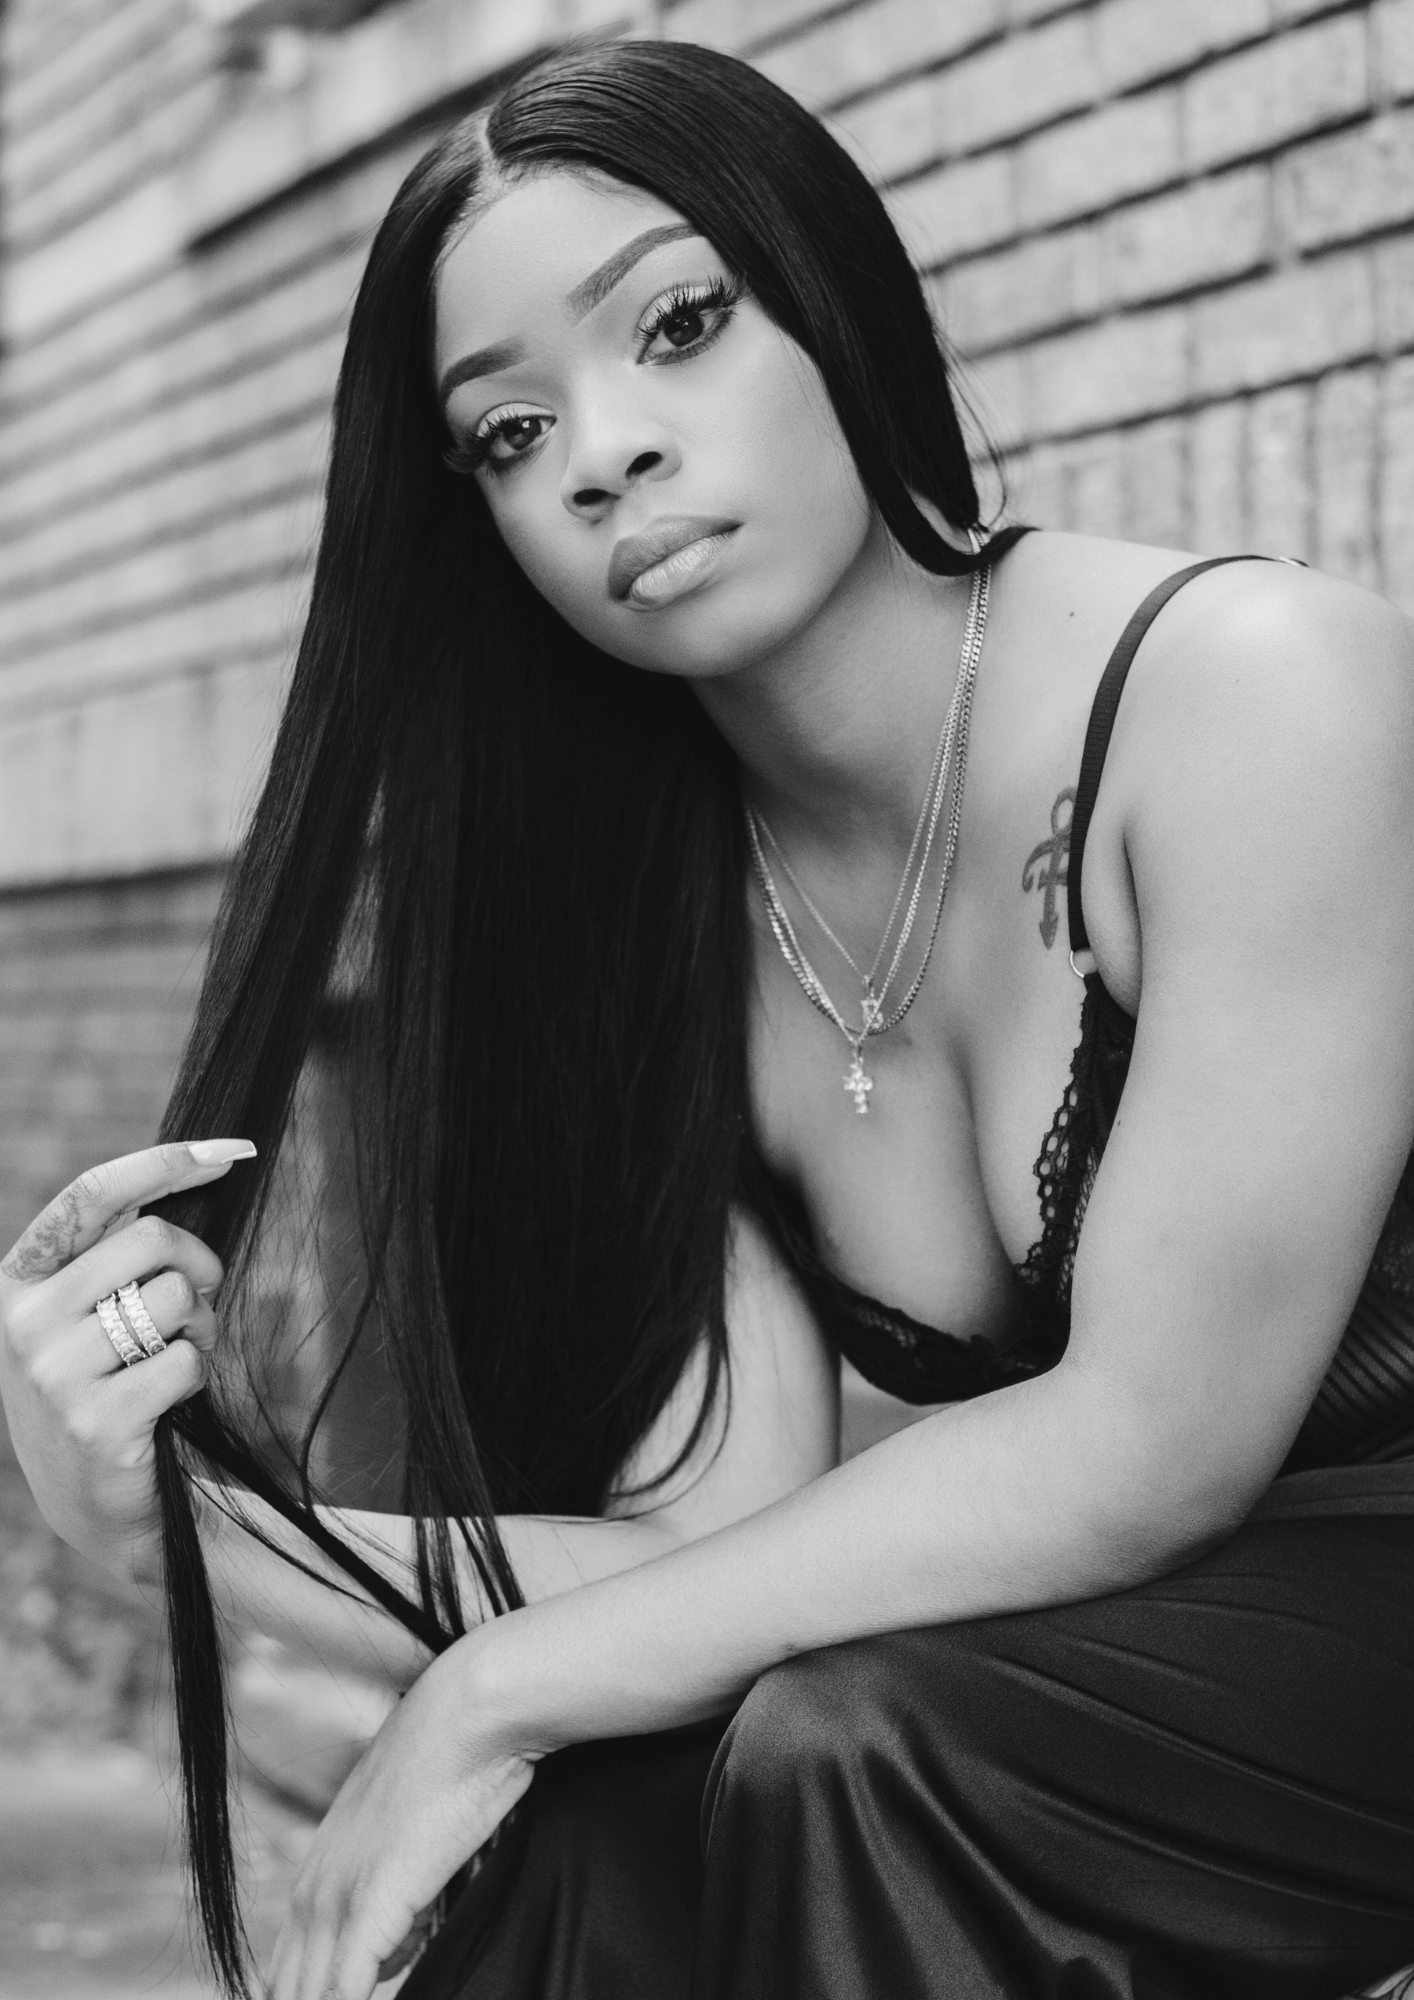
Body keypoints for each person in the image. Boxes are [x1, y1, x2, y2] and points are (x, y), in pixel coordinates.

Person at [2, 35, 1414, 2000]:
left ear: (828, 296)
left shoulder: (1252, 693)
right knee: (604, 1812)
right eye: (509, 432)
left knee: (847, 1747)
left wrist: (487, 1690)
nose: (604, 451)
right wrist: (164, 1522)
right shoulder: (667, 921)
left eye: (675, 325)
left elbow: (1151, 1441)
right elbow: (711, 1550)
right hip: (1145, 1658)